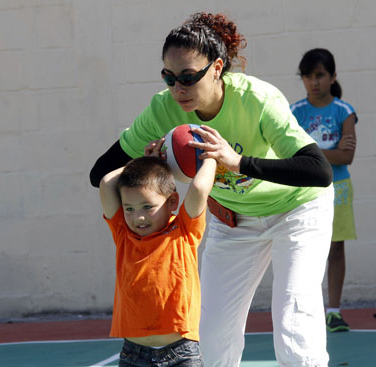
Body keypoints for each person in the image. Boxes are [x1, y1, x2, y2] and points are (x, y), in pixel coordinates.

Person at [91, 12, 334, 367]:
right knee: (212, 337)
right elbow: (100, 172)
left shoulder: (257, 100)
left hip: (297, 211)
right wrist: (152, 163)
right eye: (169, 78)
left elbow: (319, 170)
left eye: (189, 77)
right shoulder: (163, 110)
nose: (178, 89)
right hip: (232, 220)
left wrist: (237, 162)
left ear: (217, 67)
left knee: (294, 324)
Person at [99, 153, 216, 366]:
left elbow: (199, 188)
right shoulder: (124, 234)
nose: (138, 217)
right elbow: (107, 183)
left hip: (181, 353)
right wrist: (144, 160)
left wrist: (209, 158)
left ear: (172, 202)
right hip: (133, 355)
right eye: (129, 209)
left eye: (148, 207)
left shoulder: (183, 231)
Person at [290, 48, 358, 333]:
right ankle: (307, 313)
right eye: (307, 76)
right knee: (302, 249)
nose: (313, 82)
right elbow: (291, 155)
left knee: (336, 247)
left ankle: (333, 311)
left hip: (338, 187)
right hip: (305, 190)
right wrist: (327, 151)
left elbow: (346, 158)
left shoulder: (344, 112)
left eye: (319, 75)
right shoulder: (294, 111)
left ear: (332, 77)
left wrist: (312, 152)